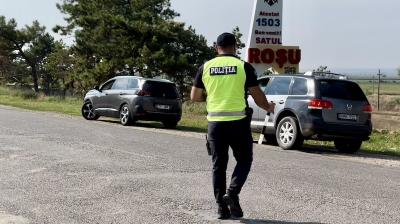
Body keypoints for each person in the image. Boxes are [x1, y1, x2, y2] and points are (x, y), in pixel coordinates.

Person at [191, 32, 275, 219]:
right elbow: (256, 94)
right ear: (235, 47)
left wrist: (212, 96)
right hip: (238, 123)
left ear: (216, 48)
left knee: (218, 166)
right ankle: (233, 193)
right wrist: (268, 106)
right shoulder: (242, 66)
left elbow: (194, 97)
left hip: (215, 124)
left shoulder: (205, 67)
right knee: (244, 160)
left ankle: (222, 208)